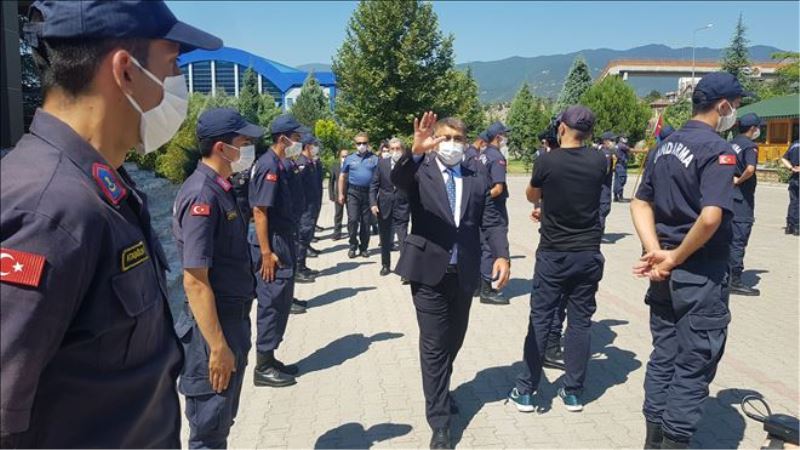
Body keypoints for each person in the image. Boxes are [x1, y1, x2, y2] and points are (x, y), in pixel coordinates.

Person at [0, 1, 220, 448]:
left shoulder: (103, 186)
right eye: (172, 66)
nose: (177, 85)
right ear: (125, 71)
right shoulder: (47, 210)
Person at [630, 72, 745, 449]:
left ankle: (653, 441)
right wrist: (674, 257)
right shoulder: (718, 150)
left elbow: (639, 202)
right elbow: (711, 216)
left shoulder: (664, 146)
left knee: (664, 355)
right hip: (699, 272)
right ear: (723, 106)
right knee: (693, 364)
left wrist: (655, 253)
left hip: (664, 273)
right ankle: (674, 441)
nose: (735, 112)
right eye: (736, 105)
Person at [392, 112, 510, 449]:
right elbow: (398, 180)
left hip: (465, 272)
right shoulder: (420, 170)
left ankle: (441, 389)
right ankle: (440, 422)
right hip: (428, 272)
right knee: (434, 345)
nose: (453, 145)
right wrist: (415, 151)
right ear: (435, 139)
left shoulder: (476, 175)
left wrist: (501, 254)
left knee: (453, 340)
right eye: (446, 138)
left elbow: (491, 220)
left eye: (459, 139)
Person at [507, 106, 607, 415]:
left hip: (554, 253)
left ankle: (526, 390)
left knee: (540, 318)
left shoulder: (547, 160)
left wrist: (543, 203)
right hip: (587, 252)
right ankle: (573, 392)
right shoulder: (600, 160)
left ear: (562, 128)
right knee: (580, 322)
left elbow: (531, 195)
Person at [172, 108, 261, 448]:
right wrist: (218, 346)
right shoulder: (202, 196)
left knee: (221, 421)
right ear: (222, 148)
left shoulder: (221, 188)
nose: (249, 149)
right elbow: (195, 280)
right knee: (209, 431)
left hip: (230, 322)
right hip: (213, 329)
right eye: (244, 142)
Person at [248, 114, 305, 388]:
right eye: (296, 138)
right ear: (283, 138)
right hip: (272, 242)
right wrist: (266, 252)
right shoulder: (268, 165)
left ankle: (270, 358)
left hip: (282, 239)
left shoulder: (280, 164)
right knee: (271, 301)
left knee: (281, 299)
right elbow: (259, 211)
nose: (299, 142)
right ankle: (263, 366)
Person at [728, 113, 763, 296]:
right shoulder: (750, 146)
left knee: (728, 239)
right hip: (742, 201)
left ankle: (725, 276)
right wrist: (739, 180)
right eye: (758, 127)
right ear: (753, 128)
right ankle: (734, 281)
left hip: (728, 199)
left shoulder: (731, 144)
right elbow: (750, 169)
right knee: (738, 240)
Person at [478, 121, 512, 305]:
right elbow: (498, 188)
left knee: (484, 245)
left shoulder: (482, 155)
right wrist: (485, 199)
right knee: (494, 249)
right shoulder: (497, 157)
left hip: (483, 210)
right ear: (498, 137)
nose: (507, 138)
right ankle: (487, 290)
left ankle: (481, 285)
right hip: (494, 211)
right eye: (505, 134)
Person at [339, 132, 380, 258]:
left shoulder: (374, 159)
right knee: (352, 220)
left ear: (368, 144)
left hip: (368, 193)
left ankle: (364, 248)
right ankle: (352, 245)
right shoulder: (349, 158)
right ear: (355, 144)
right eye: (359, 143)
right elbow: (342, 176)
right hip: (353, 192)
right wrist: (341, 193)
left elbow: (380, 177)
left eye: (364, 143)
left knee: (366, 223)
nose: (361, 145)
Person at [370, 138, 406, 276]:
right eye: (392, 149)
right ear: (389, 150)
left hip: (402, 205)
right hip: (384, 205)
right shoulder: (382, 164)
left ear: (402, 150)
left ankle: (405, 270)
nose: (395, 151)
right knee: (384, 238)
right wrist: (373, 203)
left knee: (403, 238)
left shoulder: (407, 164)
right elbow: (374, 185)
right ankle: (385, 265)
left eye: (398, 148)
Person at [296, 134, 322, 280]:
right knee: (302, 236)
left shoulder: (310, 162)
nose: (316, 148)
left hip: (311, 205)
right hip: (305, 207)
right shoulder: (302, 163)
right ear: (307, 146)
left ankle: (303, 265)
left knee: (306, 236)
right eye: (314, 145)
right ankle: (298, 268)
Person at [598, 131, 616, 234]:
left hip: (597, 186)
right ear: (605, 141)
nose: (614, 143)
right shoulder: (607, 153)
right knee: (604, 208)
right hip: (604, 186)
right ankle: (599, 232)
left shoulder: (598, 151)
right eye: (612, 140)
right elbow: (606, 171)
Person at [329, 149, 349, 240]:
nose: (345, 158)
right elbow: (331, 182)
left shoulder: (351, 166)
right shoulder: (335, 167)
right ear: (339, 157)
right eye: (343, 156)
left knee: (351, 215)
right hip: (338, 194)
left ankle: (351, 231)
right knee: (338, 215)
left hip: (350, 194)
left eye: (346, 156)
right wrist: (331, 195)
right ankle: (337, 233)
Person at [781, 141, 799, 236]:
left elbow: (783, 158)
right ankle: (797, 226)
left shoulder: (794, 144)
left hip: (794, 177)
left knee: (793, 202)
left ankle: (790, 226)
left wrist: (791, 168)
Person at [614, 136, 630, 202]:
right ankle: (620, 197)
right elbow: (629, 149)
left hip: (618, 164)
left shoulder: (617, 145)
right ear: (621, 139)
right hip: (621, 165)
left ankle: (615, 196)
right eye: (625, 138)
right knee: (622, 180)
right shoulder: (622, 145)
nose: (626, 139)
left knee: (617, 181)